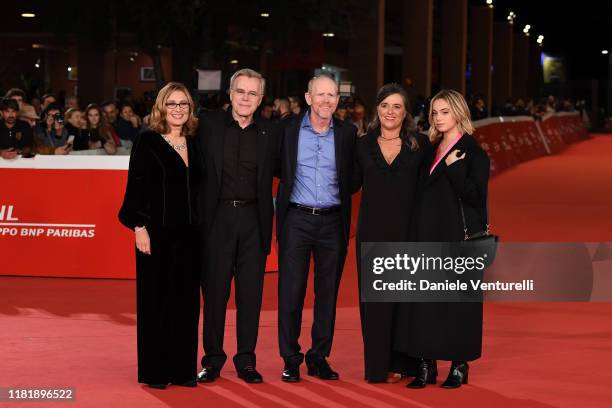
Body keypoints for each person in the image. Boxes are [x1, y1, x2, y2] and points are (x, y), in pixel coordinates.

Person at [396, 89, 490, 389]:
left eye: (445, 111)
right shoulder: (429, 149)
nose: (438, 117)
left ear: (459, 112)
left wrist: (456, 170)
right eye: (435, 112)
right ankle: (426, 365)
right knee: (426, 301)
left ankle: (459, 365)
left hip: (458, 237)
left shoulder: (474, 152)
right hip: (426, 235)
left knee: (457, 302)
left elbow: (476, 197)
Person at [118, 82, 203, 390]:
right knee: (157, 304)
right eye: (172, 104)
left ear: (190, 109)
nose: (178, 109)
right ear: (161, 108)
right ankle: (156, 371)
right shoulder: (147, 141)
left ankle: (183, 371)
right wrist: (138, 227)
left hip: (191, 237)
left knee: (186, 304)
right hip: (155, 235)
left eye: (183, 104)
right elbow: (135, 187)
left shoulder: (196, 142)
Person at [197, 68, 279, 385]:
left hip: (253, 222)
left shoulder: (271, 133)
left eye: (252, 93)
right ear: (230, 94)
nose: (245, 98)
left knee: (250, 297)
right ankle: (212, 360)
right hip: (216, 220)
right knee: (215, 296)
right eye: (240, 92)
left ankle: (246, 360)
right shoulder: (208, 125)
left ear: (260, 100)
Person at [276, 73, 357, 382]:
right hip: (296, 219)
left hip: (333, 222)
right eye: (320, 94)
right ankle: (290, 358)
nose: (326, 100)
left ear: (338, 100)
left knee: (327, 294)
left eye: (332, 95)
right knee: (291, 291)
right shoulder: (287, 130)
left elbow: (354, 176)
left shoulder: (348, 133)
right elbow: (276, 167)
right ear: (308, 98)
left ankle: (319, 356)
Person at [352, 83, 429, 383]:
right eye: (385, 105)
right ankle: (376, 365)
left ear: (405, 112)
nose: (390, 112)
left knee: (404, 300)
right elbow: (349, 184)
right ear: (377, 110)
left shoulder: (419, 144)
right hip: (371, 233)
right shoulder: (361, 144)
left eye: (397, 106)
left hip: (408, 232)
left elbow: (429, 190)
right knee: (374, 303)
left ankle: (402, 363)